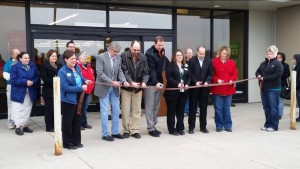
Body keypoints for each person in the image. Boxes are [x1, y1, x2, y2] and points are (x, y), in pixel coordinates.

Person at [94, 41, 130, 142]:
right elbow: (100, 73)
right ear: (109, 49)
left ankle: (115, 132)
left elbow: (119, 71)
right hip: (104, 87)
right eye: (115, 51)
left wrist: (124, 81)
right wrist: (112, 82)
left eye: (118, 52)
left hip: (114, 88)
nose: (116, 53)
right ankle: (105, 134)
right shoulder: (101, 57)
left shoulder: (118, 58)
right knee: (105, 111)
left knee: (116, 110)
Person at [58, 50, 91, 149]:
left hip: (79, 98)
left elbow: (80, 78)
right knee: (67, 122)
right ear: (65, 60)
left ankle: (76, 141)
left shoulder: (77, 68)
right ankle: (68, 143)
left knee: (77, 120)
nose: (74, 61)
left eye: (75, 59)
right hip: (68, 100)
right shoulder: (62, 72)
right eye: (71, 59)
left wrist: (85, 81)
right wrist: (81, 88)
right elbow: (65, 88)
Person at [120, 40, 149, 139]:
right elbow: (124, 71)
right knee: (125, 109)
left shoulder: (143, 57)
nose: (136, 52)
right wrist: (131, 82)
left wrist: (144, 82)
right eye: (135, 49)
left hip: (138, 88)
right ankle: (126, 130)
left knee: (137, 110)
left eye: (138, 50)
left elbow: (146, 72)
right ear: (130, 47)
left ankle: (134, 130)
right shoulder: (124, 56)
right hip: (127, 88)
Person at [144, 36, 168, 137]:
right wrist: (155, 82)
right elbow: (152, 69)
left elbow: (164, 64)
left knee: (156, 106)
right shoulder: (149, 53)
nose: (160, 47)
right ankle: (150, 128)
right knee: (150, 107)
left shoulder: (162, 51)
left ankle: (154, 125)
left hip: (159, 83)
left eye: (162, 45)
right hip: (151, 84)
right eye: (159, 45)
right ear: (154, 43)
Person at [210, 45, 238, 132]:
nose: (224, 55)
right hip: (218, 88)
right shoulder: (214, 62)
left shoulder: (232, 62)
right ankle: (219, 125)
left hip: (228, 89)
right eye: (223, 53)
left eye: (226, 54)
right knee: (218, 108)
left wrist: (232, 80)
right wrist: (216, 80)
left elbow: (235, 74)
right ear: (220, 53)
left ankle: (228, 125)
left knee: (227, 108)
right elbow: (211, 74)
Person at [10, 52, 39, 135]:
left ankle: (25, 126)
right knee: (19, 110)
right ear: (20, 59)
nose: (27, 60)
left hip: (30, 92)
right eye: (25, 58)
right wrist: (25, 82)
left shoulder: (33, 66)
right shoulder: (14, 67)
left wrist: (32, 82)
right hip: (19, 92)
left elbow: (37, 77)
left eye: (28, 58)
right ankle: (18, 127)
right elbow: (14, 80)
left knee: (27, 109)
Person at [256, 45, 283, 132]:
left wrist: (265, 78)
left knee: (273, 107)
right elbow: (257, 71)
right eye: (268, 53)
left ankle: (274, 126)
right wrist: (258, 75)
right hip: (264, 88)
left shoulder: (278, 64)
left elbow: (278, 75)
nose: (269, 55)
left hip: (274, 89)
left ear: (275, 54)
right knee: (266, 107)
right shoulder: (263, 63)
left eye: (271, 54)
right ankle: (267, 123)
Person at [164, 49, 191, 136]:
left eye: (181, 55)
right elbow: (169, 77)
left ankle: (180, 128)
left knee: (180, 111)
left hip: (183, 93)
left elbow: (189, 77)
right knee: (171, 111)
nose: (180, 56)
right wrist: (177, 84)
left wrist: (187, 84)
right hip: (172, 93)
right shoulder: (170, 65)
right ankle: (172, 129)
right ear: (174, 57)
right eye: (178, 55)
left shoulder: (185, 65)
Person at [188, 46, 213, 134]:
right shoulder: (192, 60)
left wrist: (207, 81)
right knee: (192, 109)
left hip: (204, 89)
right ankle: (191, 127)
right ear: (197, 52)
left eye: (203, 54)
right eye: (200, 53)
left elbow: (210, 73)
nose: (202, 55)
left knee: (203, 109)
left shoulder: (209, 61)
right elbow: (190, 74)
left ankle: (203, 127)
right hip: (194, 89)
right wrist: (195, 82)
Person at [40, 49, 62, 132]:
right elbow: (44, 78)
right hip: (49, 91)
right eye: (52, 56)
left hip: (58, 91)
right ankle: (49, 127)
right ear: (48, 57)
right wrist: (55, 82)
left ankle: (57, 125)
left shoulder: (60, 66)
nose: (54, 57)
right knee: (50, 109)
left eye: (55, 56)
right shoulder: (44, 66)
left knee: (57, 109)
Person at [77, 51, 95, 130]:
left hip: (88, 90)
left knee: (85, 107)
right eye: (84, 58)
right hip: (81, 90)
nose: (86, 59)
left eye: (87, 58)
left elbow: (92, 76)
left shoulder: (89, 66)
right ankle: (79, 123)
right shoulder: (77, 66)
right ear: (80, 58)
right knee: (79, 108)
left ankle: (84, 123)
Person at [3, 49, 20, 129]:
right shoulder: (8, 63)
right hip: (11, 86)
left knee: (19, 105)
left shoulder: (21, 62)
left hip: (20, 87)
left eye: (19, 53)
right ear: (12, 55)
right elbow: (5, 74)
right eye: (16, 53)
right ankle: (10, 123)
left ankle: (18, 122)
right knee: (11, 105)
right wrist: (15, 79)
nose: (18, 54)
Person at [276, 52, 290, 119]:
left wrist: (279, 75)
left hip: (282, 84)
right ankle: (275, 113)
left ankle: (279, 114)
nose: (278, 58)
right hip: (274, 85)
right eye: (277, 57)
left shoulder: (286, 65)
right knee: (274, 100)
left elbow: (288, 74)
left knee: (280, 100)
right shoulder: (274, 64)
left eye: (280, 57)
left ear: (283, 58)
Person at [184, 48, 193, 116]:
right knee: (186, 96)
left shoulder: (195, 61)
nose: (189, 54)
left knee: (194, 96)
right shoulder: (183, 62)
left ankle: (195, 110)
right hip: (186, 82)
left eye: (191, 53)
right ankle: (186, 110)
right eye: (188, 53)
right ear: (186, 54)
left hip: (194, 82)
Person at [292, 54, 300, 122]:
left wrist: (295, 85)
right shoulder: (297, 66)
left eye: (294, 59)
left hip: (298, 87)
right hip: (297, 87)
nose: (293, 60)